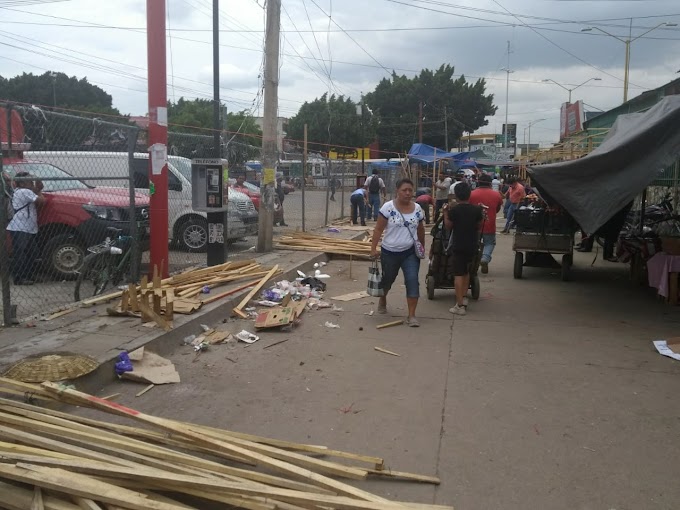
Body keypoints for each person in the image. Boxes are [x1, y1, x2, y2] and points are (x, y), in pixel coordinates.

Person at [370, 178, 425, 327]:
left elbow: (421, 230)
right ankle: (383, 298)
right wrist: (373, 248)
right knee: (388, 279)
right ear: (397, 191)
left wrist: (422, 248)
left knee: (412, 280)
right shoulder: (388, 208)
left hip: (410, 253)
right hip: (389, 252)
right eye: (404, 190)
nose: (408, 193)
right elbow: (378, 229)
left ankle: (412, 315)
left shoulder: (418, 209)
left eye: (410, 190)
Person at [443, 182, 483, 316]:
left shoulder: (454, 210)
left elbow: (448, 226)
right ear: (469, 194)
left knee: (458, 274)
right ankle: (464, 298)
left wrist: (445, 213)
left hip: (458, 246)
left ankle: (459, 305)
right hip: (472, 245)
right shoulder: (477, 210)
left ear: (457, 195)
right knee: (466, 272)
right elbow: (478, 225)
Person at [7, 171, 46, 285]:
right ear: (22, 183)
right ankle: (19, 277)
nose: (31, 183)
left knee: (32, 252)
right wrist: (38, 190)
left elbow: (36, 190)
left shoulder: (24, 191)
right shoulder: (23, 191)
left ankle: (28, 275)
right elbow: (42, 201)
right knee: (21, 253)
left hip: (26, 227)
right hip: (20, 227)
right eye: (29, 181)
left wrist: (37, 187)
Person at [469, 173, 503, 274]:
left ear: (478, 182)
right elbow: (497, 208)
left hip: (474, 225)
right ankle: (485, 258)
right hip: (489, 223)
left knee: (474, 244)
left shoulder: (471, 194)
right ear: (490, 183)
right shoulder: (496, 194)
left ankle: (473, 263)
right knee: (489, 243)